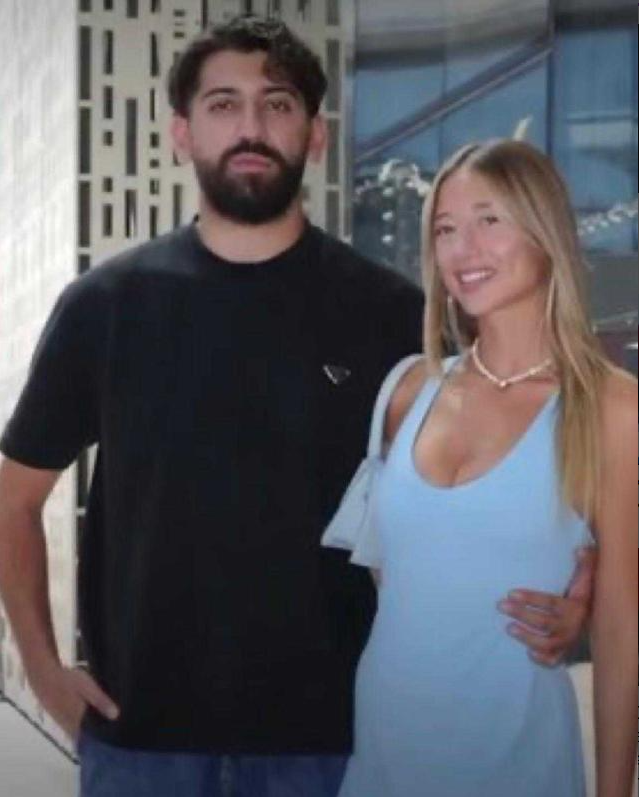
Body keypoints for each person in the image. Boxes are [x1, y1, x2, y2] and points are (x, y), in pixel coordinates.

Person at [0, 18, 593, 797]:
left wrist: (581, 587)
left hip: (332, 745)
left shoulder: (393, 317)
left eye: (277, 104)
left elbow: (502, 470)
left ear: (315, 136)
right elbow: (14, 499)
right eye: (222, 104)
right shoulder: (105, 305)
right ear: (181, 133)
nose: (250, 127)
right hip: (142, 742)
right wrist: (43, 668)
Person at [324, 139, 637, 797]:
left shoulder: (611, 409)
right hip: (383, 763)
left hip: (517, 765)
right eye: (444, 229)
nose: (462, 250)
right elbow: (391, 577)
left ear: (544, 230)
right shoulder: (406, 390)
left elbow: (621, 633)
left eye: (488, 220)